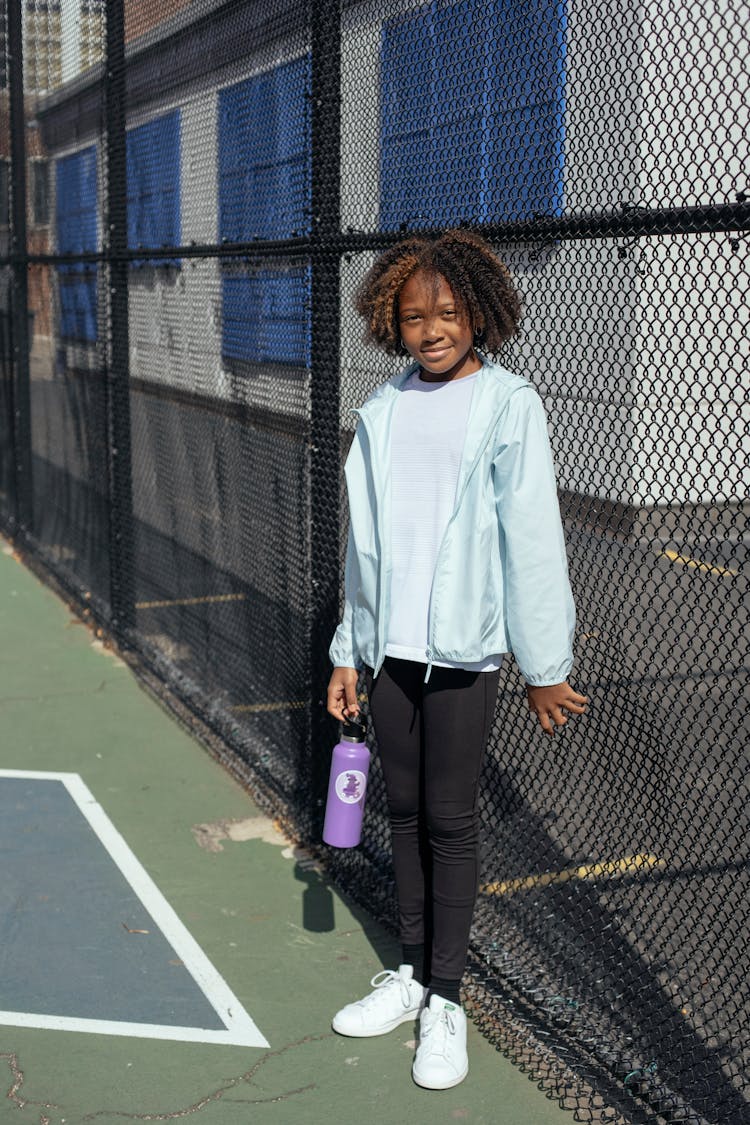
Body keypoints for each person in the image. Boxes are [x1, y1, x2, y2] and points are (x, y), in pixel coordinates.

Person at [326, 228, 588, 1090]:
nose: (431, 328)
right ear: (388, 321)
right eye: (413, 315)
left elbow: (533, 541)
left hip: (462, 654)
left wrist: (544, 662)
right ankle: (408, 975)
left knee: (450, 819)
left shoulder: (508, 403)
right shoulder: (385, 407)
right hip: (389, 651)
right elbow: (365, 546)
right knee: (400, 816)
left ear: (480, 311)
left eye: (447, 311)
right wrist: (347, 649)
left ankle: (446, 998)